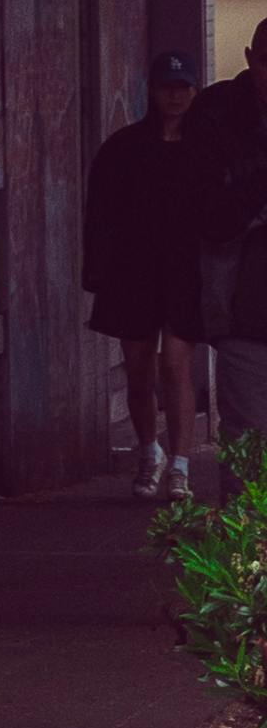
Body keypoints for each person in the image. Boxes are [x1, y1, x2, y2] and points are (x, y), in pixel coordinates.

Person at [87, 51, 212, 500]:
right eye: (167, 87)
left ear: (195, 91)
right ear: (153, 91)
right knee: (138, 371)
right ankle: (149, 453)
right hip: (133, 273)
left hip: (184, 272)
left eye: (183, 87)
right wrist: (98, 271)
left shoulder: (206, 149)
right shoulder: (124, 148)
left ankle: (180, 466)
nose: (175, 96)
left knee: (175, 364)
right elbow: (100, 211)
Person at [192, 42, 267, 490]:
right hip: (245, 311)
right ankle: (249, 552)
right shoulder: (220, 114)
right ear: (248, 58)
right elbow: (210, 215)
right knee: (247, 437)